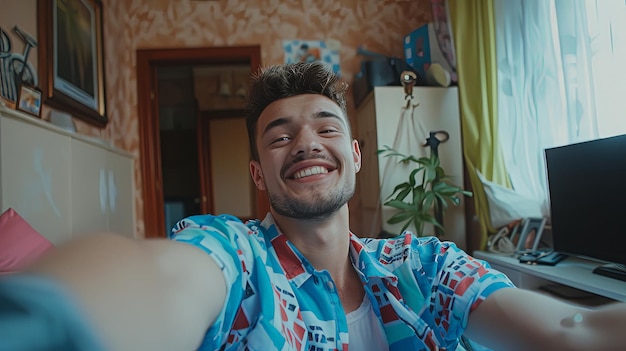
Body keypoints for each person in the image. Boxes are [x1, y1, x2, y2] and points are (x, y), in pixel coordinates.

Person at [1, 61, 626, 351]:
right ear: (257, 171)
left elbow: (572, 330)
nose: (305, 142)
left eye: (325, 127)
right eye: (280, 135)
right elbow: (162, 280)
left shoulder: (424, 266)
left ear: (354, 154)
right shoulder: (237, 259)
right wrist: (49, 319)